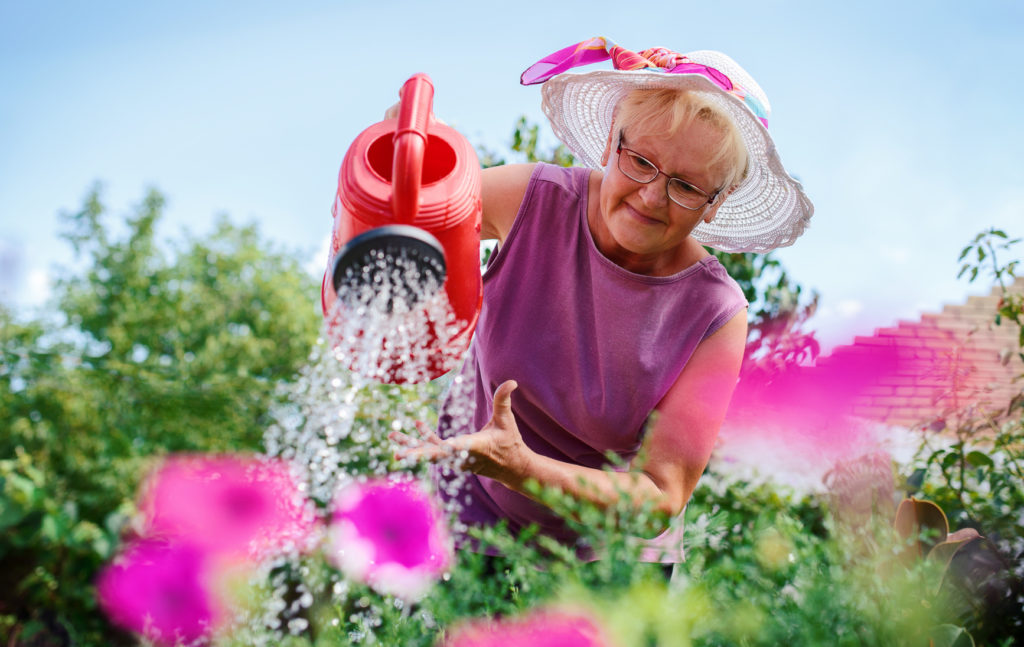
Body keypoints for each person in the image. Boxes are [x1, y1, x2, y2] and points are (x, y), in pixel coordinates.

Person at [392, 37, 813, 561]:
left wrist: (522, 468)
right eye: (640, 161)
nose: (651, 196)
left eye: (685, 186)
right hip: (473, 504)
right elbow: (412, 217)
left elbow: (662, 492)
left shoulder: (715, 313)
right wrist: (407, 167)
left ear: (715, 203)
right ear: (614, 140)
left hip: (608, 555)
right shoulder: (532, 200)